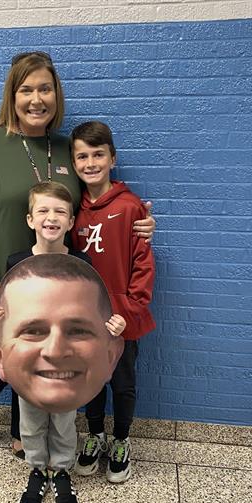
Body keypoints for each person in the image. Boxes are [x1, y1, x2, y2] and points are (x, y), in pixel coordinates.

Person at [0, 51, 156, 461]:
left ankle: (20, 435)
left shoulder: (67, 148)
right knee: (3, 365)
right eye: (26, 89)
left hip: (61, 290)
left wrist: (138, 223)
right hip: (8, 284)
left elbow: (95, 205)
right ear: (12, 95)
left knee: (43, 362)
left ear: (56, 94)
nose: (36, 99)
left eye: (45, 88)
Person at [0, 182, 125, 503]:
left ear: (71, 221)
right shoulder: (16, 261)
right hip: (31, 364)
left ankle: (61, 471)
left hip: (66, 365)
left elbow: (89, 309)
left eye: (60, 211)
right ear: (30, 219)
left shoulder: (80, 260)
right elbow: (8, 312)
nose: (51, 217)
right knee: (30, 419)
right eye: (43, 211)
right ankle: (37, 469)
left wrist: (111, 325)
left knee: (63, 417)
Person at [70, 121, 156, 484]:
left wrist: (129, 311)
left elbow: (143, 265)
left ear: (112, 159)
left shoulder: (131, 206)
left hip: (122, 318)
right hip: (86, 316)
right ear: (74, 163)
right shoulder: (70, 209)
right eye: (82, 156)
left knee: (122, 382)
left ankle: (121, 440)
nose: (91, 163)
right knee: (90, 380)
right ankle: (95, 435)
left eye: (98, 155)